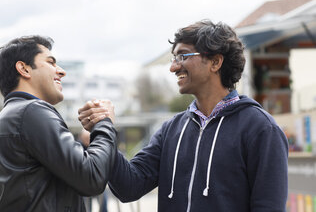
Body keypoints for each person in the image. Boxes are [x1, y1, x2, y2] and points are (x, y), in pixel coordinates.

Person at [79, 20, 289, 211]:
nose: (173, 67)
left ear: (215, 62)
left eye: (183, 56)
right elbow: (129, 187)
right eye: (174, 58)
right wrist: (103, 131)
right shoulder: (172, 129)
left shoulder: (261, 129)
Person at [0, 35, 117, 212]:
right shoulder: (31, 112)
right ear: (24, 68)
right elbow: (91, 178)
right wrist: (104, 123)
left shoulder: (0, 128)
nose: (61, 71)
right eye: (51, 62)